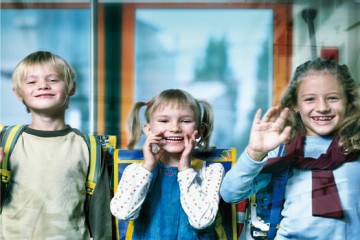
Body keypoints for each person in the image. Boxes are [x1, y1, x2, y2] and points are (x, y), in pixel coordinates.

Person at [220, 58, 360, 239]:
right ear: (294, 104)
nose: (323, 108)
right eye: (310, 99)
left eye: (332, 98)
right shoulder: (281, 150)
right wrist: (254, 153)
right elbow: (230, 193)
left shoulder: (356, 149)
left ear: (348, 101)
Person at [0, 51, 113, 239]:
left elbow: (100, 214)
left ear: (71, 88)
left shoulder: (89, 147)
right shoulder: (6, 140)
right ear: (19, 93)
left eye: (52, 80)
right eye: (31, 82)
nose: (43, 85)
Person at [110, 89, 225, 239]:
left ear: (199, 131)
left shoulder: (211, 171)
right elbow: (122, 213)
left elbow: (201, 221)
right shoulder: (135, 171)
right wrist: (148, 167)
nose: (175, 128)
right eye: (164, 121)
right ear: (148, 130)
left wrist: (185, 170)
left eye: (185, 121)